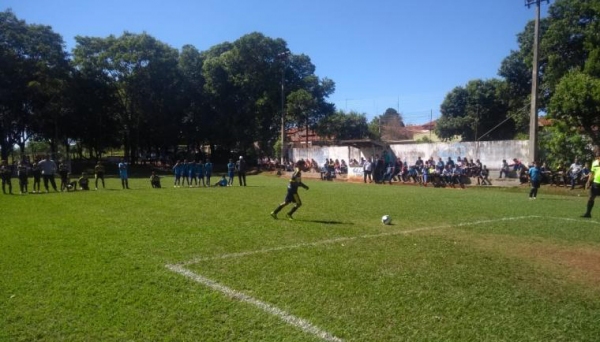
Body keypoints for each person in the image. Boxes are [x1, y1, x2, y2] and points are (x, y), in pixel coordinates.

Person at [582, 151, 600, 218]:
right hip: (596, 183)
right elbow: (592, 173)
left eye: (599, 156)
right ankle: (588, 213)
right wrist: (588, 181)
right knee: (591, 198)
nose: (598, 158)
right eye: (597, 157)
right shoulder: (594, 163)